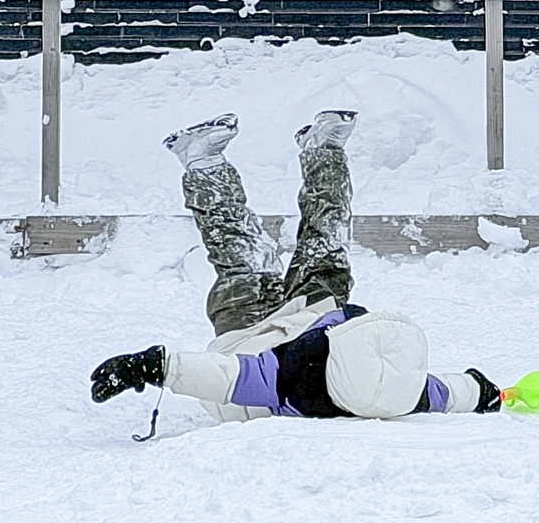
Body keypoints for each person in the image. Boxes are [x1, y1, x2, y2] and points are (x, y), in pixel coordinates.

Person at [90, 111, 501, 423]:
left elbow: (223, 376)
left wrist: (153, 365)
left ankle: (200, 161)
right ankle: (323, 149)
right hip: (306, 316)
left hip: (245, 342)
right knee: (328, 242)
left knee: (243, 256)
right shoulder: (404, 387)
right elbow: (448, 392)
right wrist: (483, 390)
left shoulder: (294, 378)